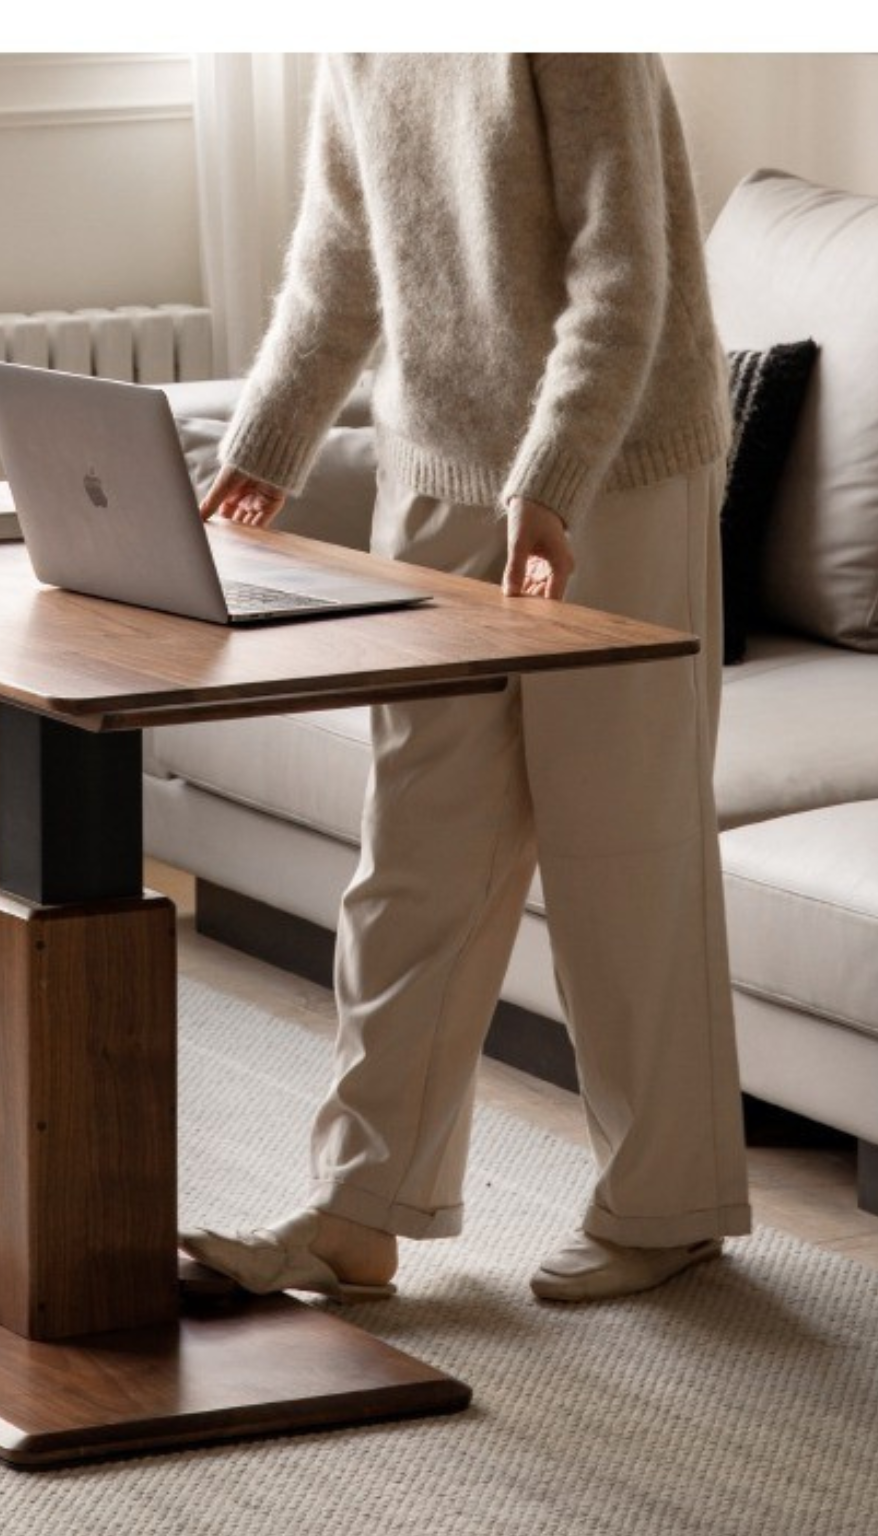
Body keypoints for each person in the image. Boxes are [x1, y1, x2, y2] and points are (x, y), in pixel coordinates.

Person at [181, 53, 752, 1304]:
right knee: (417, 848)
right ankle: (359, 1208)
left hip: (616, 475)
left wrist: (549, 483)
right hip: (434, 475)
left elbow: (626, 268)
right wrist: (264, 447)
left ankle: (668, 1206)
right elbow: (342, 253)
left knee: (622, 845)